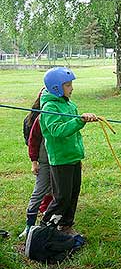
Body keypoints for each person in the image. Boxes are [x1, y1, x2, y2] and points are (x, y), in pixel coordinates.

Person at [39, 67, 97, 236]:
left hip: (73, 157)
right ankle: (45, 227)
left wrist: (82, 119)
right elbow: (57, 130)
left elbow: (73, 128)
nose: (71, 88)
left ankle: (65, 225)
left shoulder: (69, 104)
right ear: (56, 87)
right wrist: (80, 121)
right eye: (68, 85)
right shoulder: (49, 107)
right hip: (61, 160)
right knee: (62, 197)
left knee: (72, 194)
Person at [19, 89, 53, 239]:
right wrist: (34, 161)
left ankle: (52, 219)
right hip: (45, 161)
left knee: (55, 189)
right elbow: (32, 142)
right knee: (40, 191)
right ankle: (29, 225)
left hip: (60, 161)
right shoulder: (37, 119)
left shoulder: (60, 113)